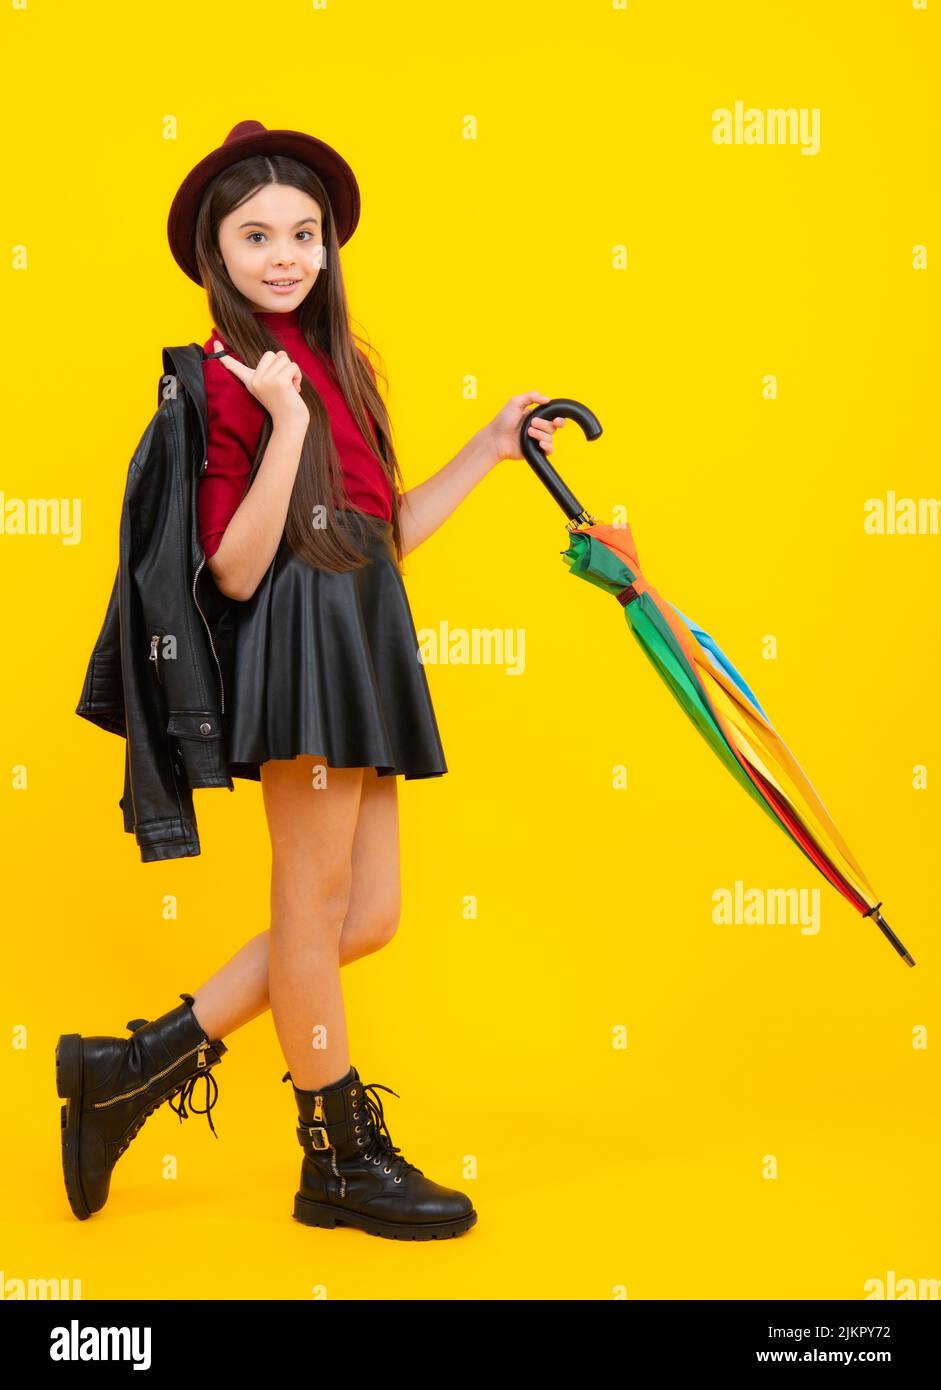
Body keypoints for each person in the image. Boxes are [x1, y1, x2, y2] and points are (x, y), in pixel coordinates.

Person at [58, 120, 565, 1241]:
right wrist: (281, 419)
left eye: (304, 233)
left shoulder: (343, 362)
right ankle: (333, 1151)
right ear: (213, 253)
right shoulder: (219, 379)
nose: (284, 254)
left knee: (365, 914)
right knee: (309, 905)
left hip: (361, 631)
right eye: (256, 235)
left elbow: (381, 533)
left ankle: (136, 1063)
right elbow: (234, 567)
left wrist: (486, 450)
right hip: (297, 646)